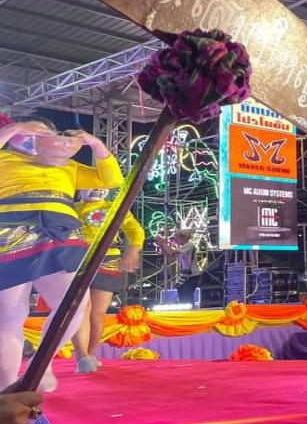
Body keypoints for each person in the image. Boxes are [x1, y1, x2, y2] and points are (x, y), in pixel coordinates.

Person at [0, 115, 123, 391]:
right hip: (9, 231)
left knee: (74, 304)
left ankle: (40, 366)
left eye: (47, 133)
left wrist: (95, 144)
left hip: (61, 233)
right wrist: (15, 128)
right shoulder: (4, 158)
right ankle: (6, 392)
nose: (39, 137)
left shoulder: (70, 166)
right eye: (32, 132)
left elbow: (112, 180)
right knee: (9, 316)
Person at [70, 188, 144, 373]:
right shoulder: (69, 208)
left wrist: (133, 250)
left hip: (108, 260)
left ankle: (90, 354)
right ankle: (82, 357)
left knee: (97, 314)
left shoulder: (115, 207)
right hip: (77, 260)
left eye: (102, 185)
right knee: (80, 309)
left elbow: (135, 230)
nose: (97, 188)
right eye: (91, 184)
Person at [153, 229, 203, 302]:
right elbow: (168, 255)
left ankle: (190, 307)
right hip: (185, 275)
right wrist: (161, 245)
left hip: (191, 275)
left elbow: (172, 252)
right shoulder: (182, 247)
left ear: (183, 237)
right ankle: (185, 306)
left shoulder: (189, 245)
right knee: (181, 292)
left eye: (177, 237)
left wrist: (163, 243)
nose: (175, 239)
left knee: (187, 293)